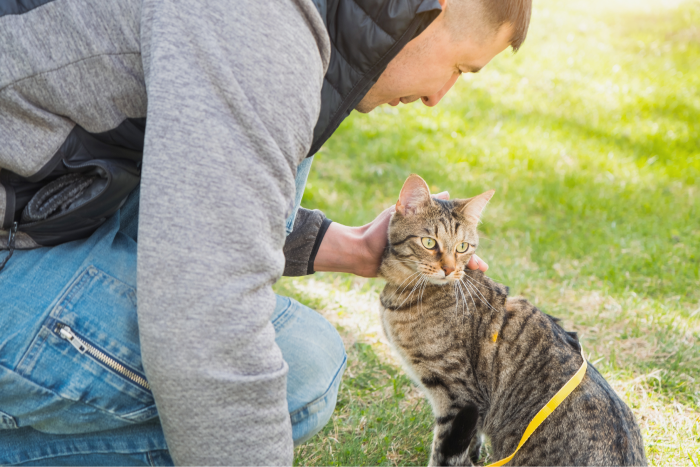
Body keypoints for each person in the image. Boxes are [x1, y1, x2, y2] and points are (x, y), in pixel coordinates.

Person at [0, 0, 531, 465]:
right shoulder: (261, 32)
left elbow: (193, 180)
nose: (442, 95)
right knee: (300, 377)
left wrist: (337, 246)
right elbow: (205, 324)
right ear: (430, 8)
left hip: (50, 201)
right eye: (460, 67)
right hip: (18, 239)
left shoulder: (311, 30)